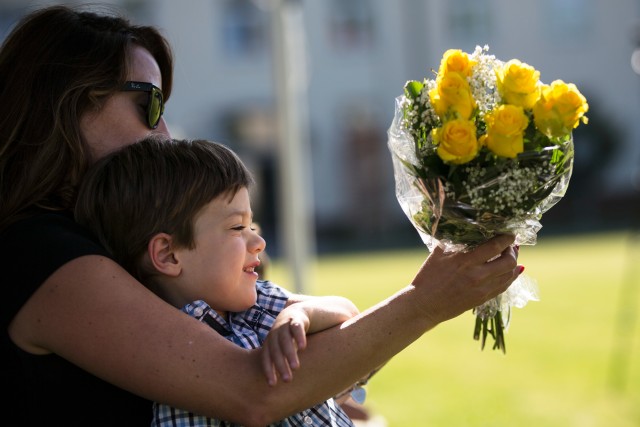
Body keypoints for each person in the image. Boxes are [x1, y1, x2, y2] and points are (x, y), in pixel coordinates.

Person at [0, 4, 522, 426]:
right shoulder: (40, 252)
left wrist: (318, 381)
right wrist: (425, 302)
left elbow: (324, 331)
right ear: (69, 102)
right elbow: (252, 393)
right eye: (151, 104)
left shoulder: (108, 239)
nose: (164, 130)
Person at [74, 135, 360, 426]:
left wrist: (300, 313)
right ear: (169, 254)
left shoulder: (258, 303)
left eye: (251, 224)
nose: (259, 241)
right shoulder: (170, 362)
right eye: (237, 227)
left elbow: (347, 311)